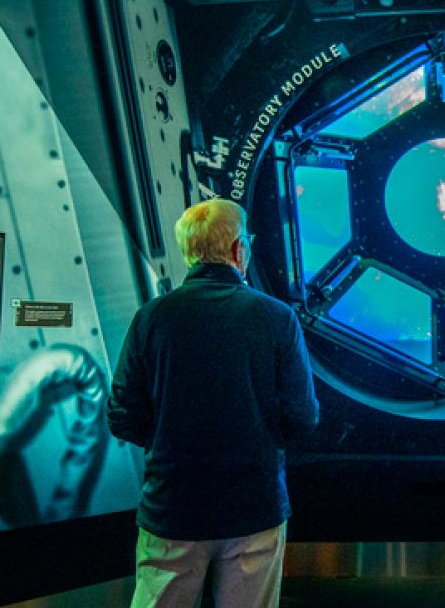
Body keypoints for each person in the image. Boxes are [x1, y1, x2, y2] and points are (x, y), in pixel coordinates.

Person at [108, 198, 319, 608]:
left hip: (172, 507)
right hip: (254, 507)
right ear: (239, 249)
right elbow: (302, 416)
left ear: (189, 251)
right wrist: (258, 439)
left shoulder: (151, 318)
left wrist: (169, 439)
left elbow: (122, 415)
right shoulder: (276, 318)